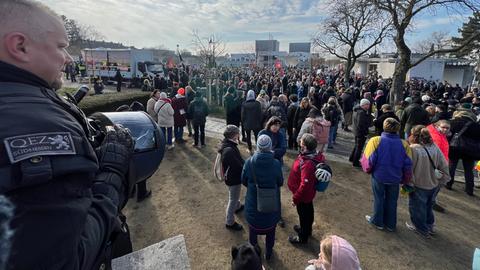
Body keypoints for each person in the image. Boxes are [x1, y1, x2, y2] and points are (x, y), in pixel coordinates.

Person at [0, 1, 137, 268]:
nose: (69, 58)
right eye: (61, 46)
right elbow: (64, 260)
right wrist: (112, 174)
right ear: (20, 46)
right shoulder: (39, 128)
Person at [361, 118, 413, 231]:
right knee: (392, 200)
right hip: (395, 177)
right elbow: (408, 164)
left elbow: (368, 160)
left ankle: (378, 221)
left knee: (379, 198)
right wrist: (406, 178)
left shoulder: (375, 140)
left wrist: (368, 170)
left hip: (379, 175)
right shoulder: (404, 144)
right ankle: (390, 224)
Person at [241, 135, 283, 260]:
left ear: (257, 146)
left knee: (252, 235)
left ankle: (254, 256)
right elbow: (280, 182)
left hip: (253, 209)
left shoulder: (249, 162)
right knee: (271, 234)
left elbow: (243, 180)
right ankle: (269, 253)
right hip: (272, 210)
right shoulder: (275, 164)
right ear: (270, 147)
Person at [406, 125, 449, 238]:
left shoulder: (414, 149)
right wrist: (444, 180)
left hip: (419, 184)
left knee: (417, 208)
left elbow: (409, 168)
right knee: (428, 206)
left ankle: (421, 229)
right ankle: (430, 226)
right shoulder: (434, 146)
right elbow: (444, 164)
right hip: (434, 184)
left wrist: (408, 183)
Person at [288, 134, 326, 244]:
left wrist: (295, 198)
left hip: (303, 196)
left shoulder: (308, 163)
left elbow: (304, 185)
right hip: (309, 194)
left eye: (301, 142)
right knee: (309, 211)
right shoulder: (312, 155)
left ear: (305, 146)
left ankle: (302, 237)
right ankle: (307, 230)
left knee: (303, 215)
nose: (300, 143)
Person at [446, 108, 480, 196]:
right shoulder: (476, 126)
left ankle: (448, 183)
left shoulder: (454, 122)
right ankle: (469, 189)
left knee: (452, 166)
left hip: (455, 147)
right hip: (470, 150)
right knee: (469, 170)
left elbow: (449, 134)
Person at [219, 125, 245, 231]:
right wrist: (245, 167)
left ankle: (237, 206)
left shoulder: (227, 144)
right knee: (232, 198)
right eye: (238, 133)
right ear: (234, 135)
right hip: (233, 178)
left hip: (231, 177)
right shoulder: (229, 150)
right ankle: (229, 222)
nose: (239, 135)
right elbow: (237, 166)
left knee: (234, 195)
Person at [427, 120, 450, 212]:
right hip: (437, 164)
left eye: (447, 128)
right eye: (443, 127)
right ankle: (431, 202)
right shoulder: (436, 136)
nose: (445, 129)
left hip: (441, 163)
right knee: (436, 184)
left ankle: (432, 201)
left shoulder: (441, 135)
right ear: (437, 126)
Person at [349, 99, 373, 168]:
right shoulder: (361, 112)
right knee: (359, 148)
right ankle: (355, 162)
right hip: (360, 132)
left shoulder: (357, 110)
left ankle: (352, 158)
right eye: (367, 104)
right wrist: (365, 132)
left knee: (356, 146)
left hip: (357, 131)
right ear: (363, 105)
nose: (368, 106)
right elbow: (361, 124)